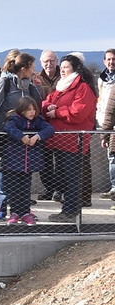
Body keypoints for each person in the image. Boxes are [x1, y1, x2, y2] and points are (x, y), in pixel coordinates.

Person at [42, 53, 98, 222]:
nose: (63, 70)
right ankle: (68, 210)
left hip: (74, 141)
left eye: (66, 67)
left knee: (72, 178)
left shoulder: (83, 88)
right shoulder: (62, 87)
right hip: (59, 140)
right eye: (63, 67)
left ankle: (71, 211)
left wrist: (56, 112)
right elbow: (45, 102)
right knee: (64, 177)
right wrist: (48, 106)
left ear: (75, 68)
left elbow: (79, 112)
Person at [0, 52, 41, 222]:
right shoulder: (4, 83)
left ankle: (21, 210)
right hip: (6, 137)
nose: (34, 71)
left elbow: (36, 108)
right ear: (23, 68)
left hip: (25, 140)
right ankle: (0, 209)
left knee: (23, 176)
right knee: (2, 173)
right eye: (32, 68)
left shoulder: (29, 86)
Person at [1, 96, 55, 225]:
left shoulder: (38, 121)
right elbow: (8, 128)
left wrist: (37, 136)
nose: (32, 112)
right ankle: (14, 213)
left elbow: (50, 129)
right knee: (13, 189)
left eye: (34, 109)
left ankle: (25, 212)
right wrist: (21, 137)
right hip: (13, 162)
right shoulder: (15, 120)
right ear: (22, 110)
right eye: (29, 110)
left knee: (25, 188)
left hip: (28, 163)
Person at [35, 50, 61, 200]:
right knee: (44, 160)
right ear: (41, 62)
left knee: (60, 160)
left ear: (56, 61)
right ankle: (49, 188)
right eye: (46, 61)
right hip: (42, 124)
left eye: (52, 61)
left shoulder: (63, 76)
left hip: (60, 124)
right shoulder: (36, 78)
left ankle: (59, 189)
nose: (49, 64)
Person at [98, 49, 115, 204]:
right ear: (104, 61)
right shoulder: (101, 79)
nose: (111, 62)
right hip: (107, 123)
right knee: (112, 158)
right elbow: (105, 105)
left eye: (114, 59)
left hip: (110, 125)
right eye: (109, 59)